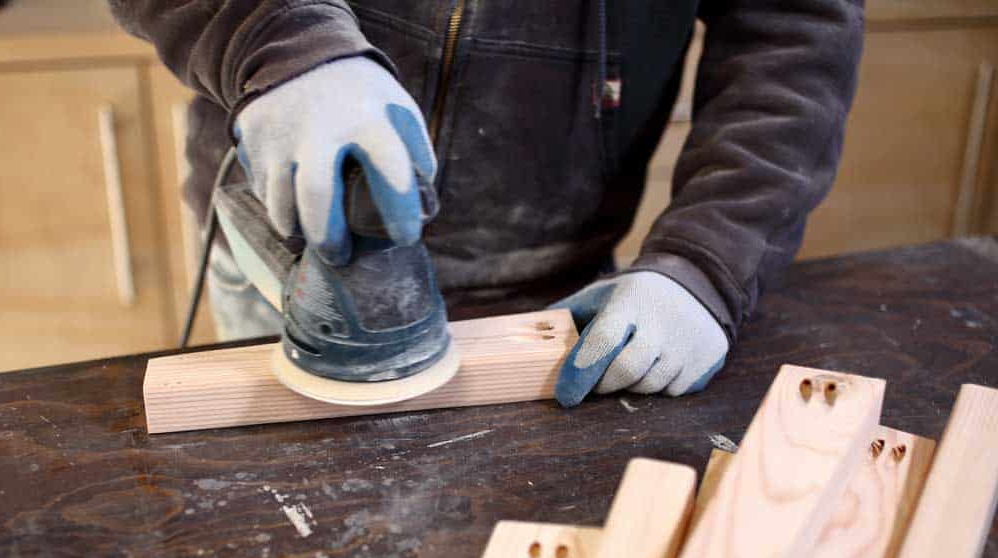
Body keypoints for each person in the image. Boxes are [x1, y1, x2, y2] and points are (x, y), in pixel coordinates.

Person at [109, 0, 863, 406]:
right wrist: (278, 42)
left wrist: (710, 258)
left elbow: (794, 28)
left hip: (556, 281)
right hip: (288, 226)